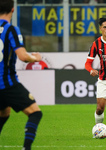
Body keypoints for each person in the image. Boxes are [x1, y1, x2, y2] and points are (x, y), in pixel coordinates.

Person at [0, 0, 42, 150]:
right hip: (6, 83)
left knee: (4, 113)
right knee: (35, 113)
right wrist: (35, 58)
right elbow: (23, 56)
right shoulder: (11, 29)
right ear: (13, 10)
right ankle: (27, 148)